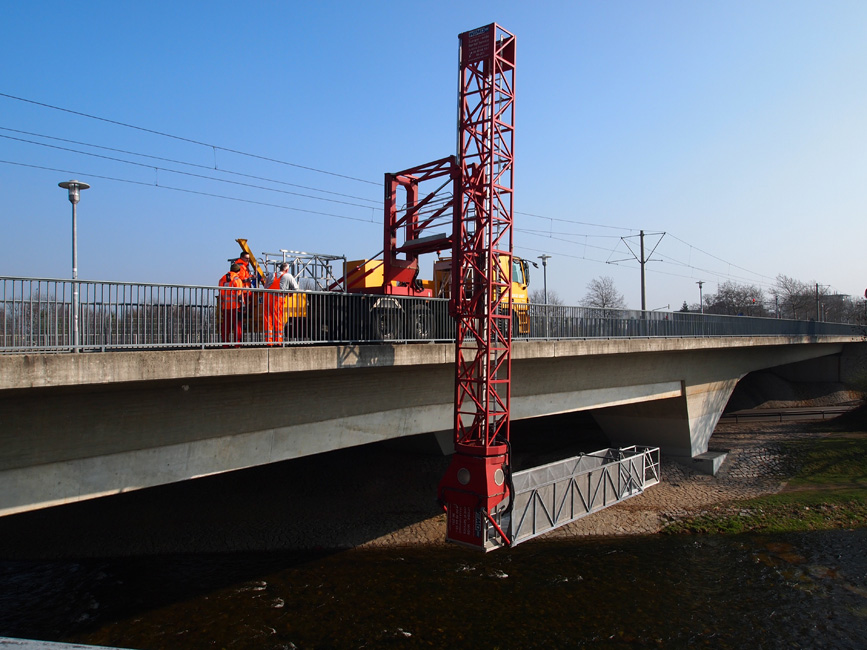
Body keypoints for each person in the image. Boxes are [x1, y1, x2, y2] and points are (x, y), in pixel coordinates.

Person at [263, 262, 299, 345]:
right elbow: (296, 289)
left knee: (268, 319)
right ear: (287, 269)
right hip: (278, 298)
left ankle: (269, 341)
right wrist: (288, 292)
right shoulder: (288, 276)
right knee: (278, 319)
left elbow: (265, 287)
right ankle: (278, 341)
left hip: (267, 297)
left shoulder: (271, 275)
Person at [218, 263, 245, 347]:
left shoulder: (222, 279)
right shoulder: (237, 279)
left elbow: (220, 293)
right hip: (236, 306)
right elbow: (239, 295)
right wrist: (243, 306)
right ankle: (237, 343)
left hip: (225, 306)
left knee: (226, 325)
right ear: (238, 271)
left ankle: (225, 343)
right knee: (237, 325)